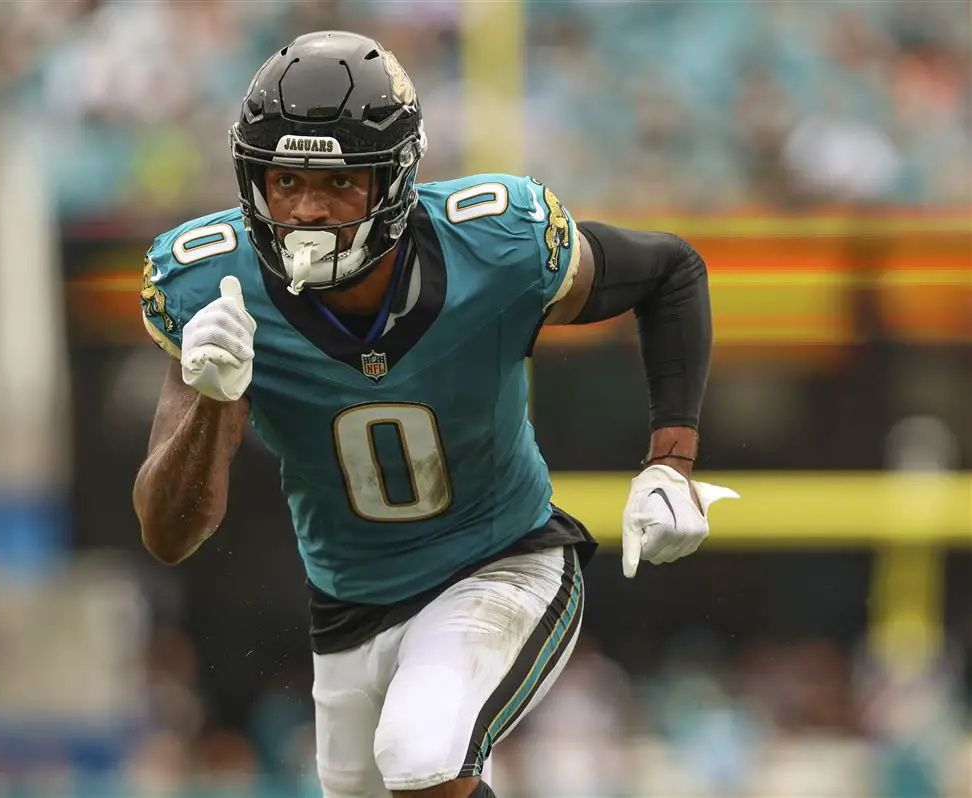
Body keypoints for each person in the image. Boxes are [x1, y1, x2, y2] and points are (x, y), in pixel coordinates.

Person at [133, 30, 737, 798]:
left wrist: (670, 463)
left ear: (393, 180)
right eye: (285, 179)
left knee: (422, 755)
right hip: (348, 605)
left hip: (500, 562)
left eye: (338, 182)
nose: (307, 209)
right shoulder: (213, 286)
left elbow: (671, 271)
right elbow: (170, 533)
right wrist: (213, 397)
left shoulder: (497, 245)